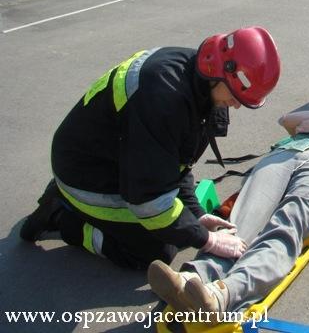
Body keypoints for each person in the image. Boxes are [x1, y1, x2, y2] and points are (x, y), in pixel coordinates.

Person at [20, 27, 281, 270]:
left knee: (180, 229)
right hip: (87, 177)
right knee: (156, 250)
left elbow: (177, 167)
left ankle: (70, 206)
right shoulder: (164, 101)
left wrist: (197, 216)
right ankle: (64, 218)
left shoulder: (195, 80)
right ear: (221, 72)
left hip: (115, 161)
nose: (235, 105)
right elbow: (149, 200)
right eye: (236, 96)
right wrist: (207, 241)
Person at [147, 91, 309, 318]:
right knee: (244, 218)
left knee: (287, 224)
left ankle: (223, 293)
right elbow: (286, 120)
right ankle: (195, 277)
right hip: (283, 156)